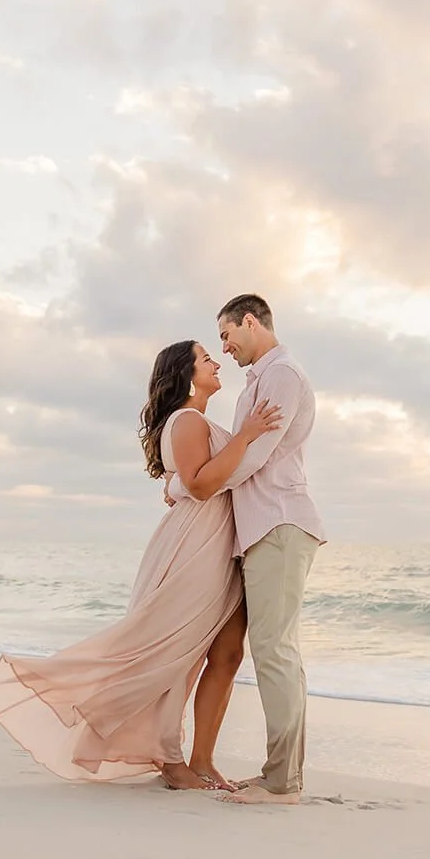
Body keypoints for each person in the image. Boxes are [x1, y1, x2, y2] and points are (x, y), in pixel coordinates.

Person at [0, 339, 283, 791]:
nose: (216, 362)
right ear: (186, 375)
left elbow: (199, 482)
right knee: (174, 652)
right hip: (194, 546)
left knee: (227, 653)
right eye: (206, 359)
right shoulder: (185, 420)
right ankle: (169, 758)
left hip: (222, 545)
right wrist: (245, 435)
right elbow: (201, 486)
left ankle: (203, 760)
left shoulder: (198, 421)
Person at [165, 293, 325, 806]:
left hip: (278, 523)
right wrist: (187, 482)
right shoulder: (259, 381)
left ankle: (282, 782)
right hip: (260, 529)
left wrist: (188, 486)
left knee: (274, 651)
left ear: (250, 321)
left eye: (227, 336)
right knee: (276, 652)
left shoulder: (282, 376)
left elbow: (252, 457)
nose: (225, 348)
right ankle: (282, 776)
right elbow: (234, 453)